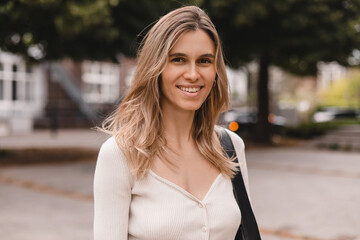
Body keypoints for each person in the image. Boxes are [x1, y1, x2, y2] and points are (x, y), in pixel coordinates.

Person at [94, 5, 251, 240]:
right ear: (155, 68)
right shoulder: (119, 154)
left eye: (204, 61)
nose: (193, 74)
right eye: (178, 59)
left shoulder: (231, 147)